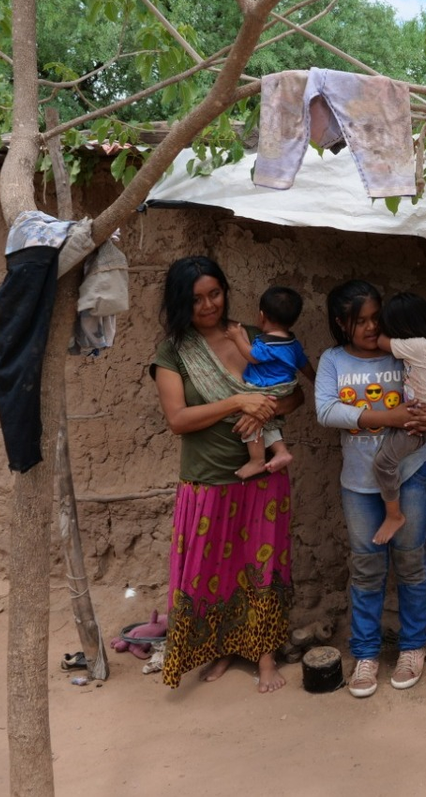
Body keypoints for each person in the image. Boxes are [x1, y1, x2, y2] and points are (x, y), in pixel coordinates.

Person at [151, 256, 304, 693]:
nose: (208, 305)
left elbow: (294, 396)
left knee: (262, 564)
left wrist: (266, 409)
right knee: (211, 567)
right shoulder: (173, 352)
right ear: (181, 302)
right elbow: (178, 419)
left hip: (263, 477)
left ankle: (265, 655)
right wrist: (238, 402)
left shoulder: (252, 338)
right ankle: (218, 649)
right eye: (196, 299)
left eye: (215, 294)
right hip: (208, 477)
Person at [315, 280, 426, 698]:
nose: (369, 326)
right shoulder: (333, 360)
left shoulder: (405, 349)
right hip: (359, 484)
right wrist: (391, 417)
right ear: (341, 323)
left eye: (375, 318)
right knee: (366, 567)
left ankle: (413, 646)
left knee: (411, 562)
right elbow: (325, 409)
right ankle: (365, 653)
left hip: (412, 473)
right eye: (359, 321)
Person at [371, 292, 426, 545]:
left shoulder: (418, 346)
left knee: (383, 462)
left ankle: (394, 515)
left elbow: (381, 342)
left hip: (420, 421)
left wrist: (385, 332)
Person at [225, 285, 315, 479]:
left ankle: (256, 460)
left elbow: (252, 356)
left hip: (263, 388)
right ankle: (281, 451)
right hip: (284, 388)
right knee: (268, 421)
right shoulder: (292, 343)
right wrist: (316, 380)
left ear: (261, 316)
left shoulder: (266, 343)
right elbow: (304, 365)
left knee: (250, 416)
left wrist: (236, 338)